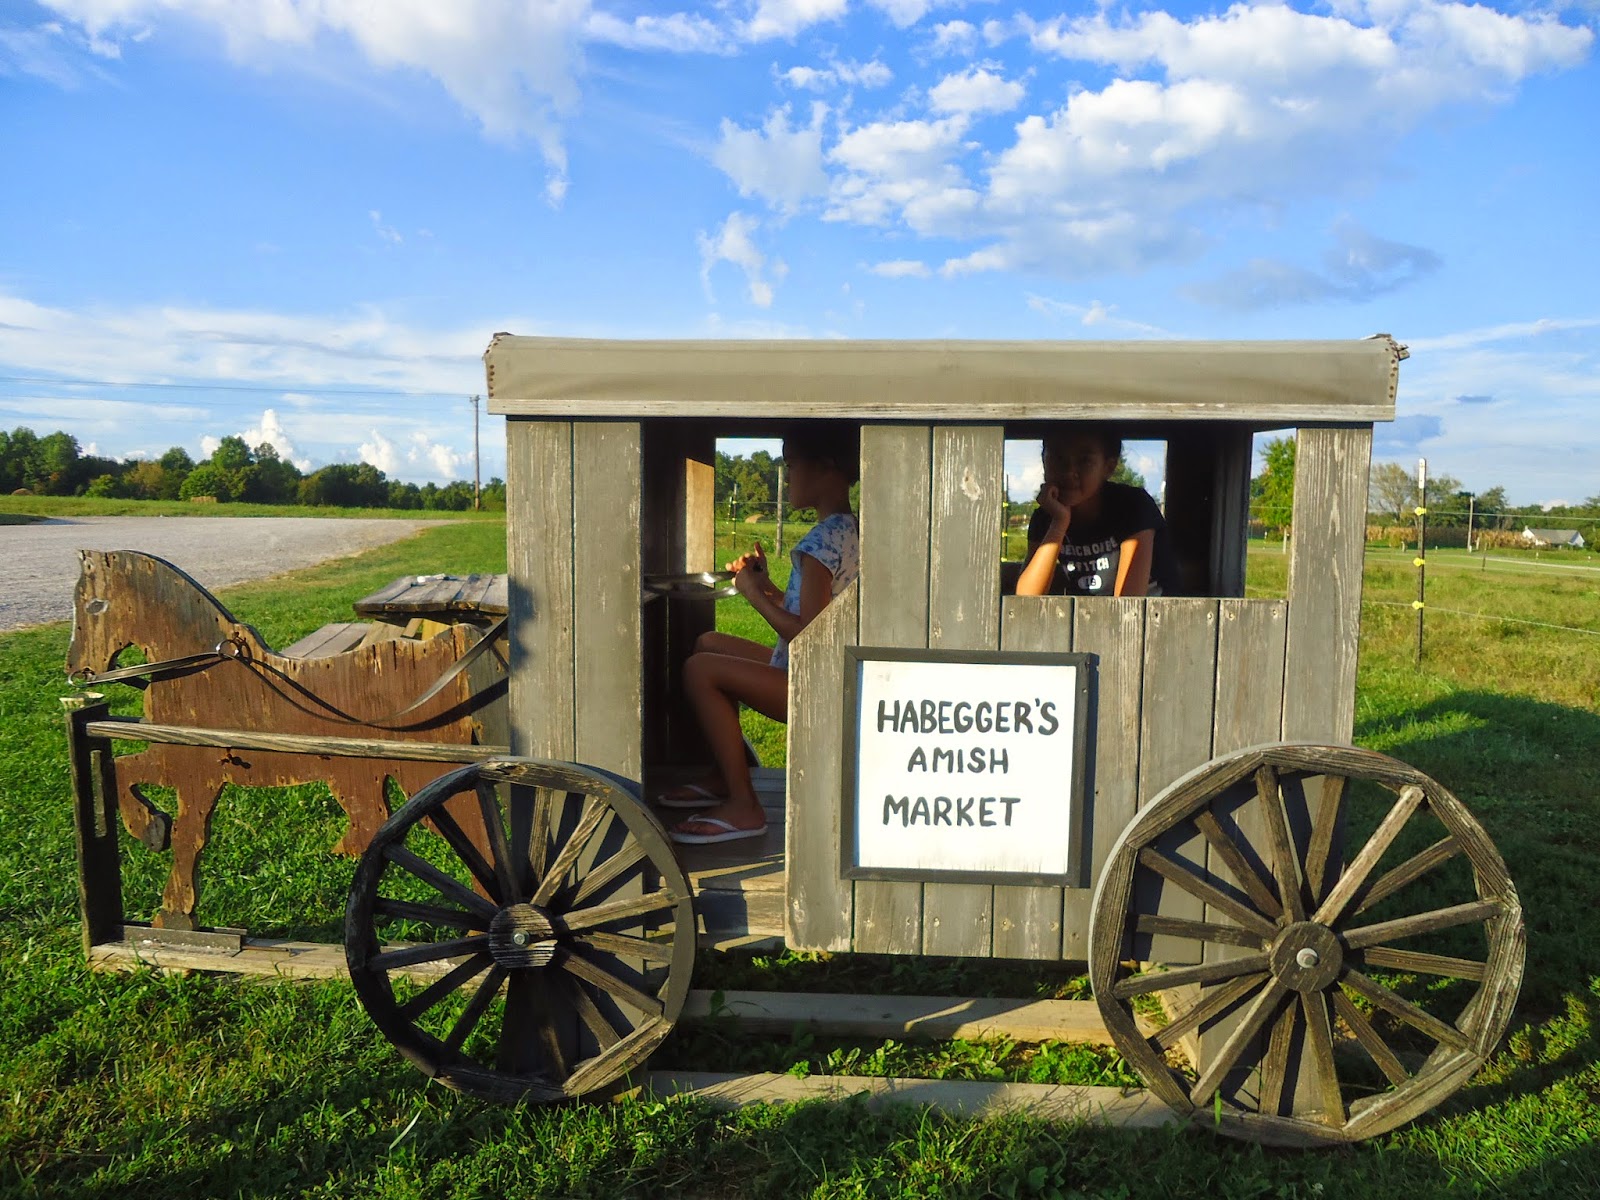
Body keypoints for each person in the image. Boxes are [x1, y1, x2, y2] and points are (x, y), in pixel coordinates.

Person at [661, 424, 860, 844]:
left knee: (700, 670)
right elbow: (820, 612)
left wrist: (752, 594)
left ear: (826, 468)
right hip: (824, 671)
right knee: (709, 644)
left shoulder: (821, 539)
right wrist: (768, 586)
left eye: (790, 465)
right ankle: (723, 773)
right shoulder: (850, 529)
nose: (785, 476)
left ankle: (743, 805)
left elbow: (808, 634)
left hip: (812, 683)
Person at [1015, 425, 1180, 598]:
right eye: (1058, 458)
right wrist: (1059, 523)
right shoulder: (1046, 517)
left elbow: (1129, 602)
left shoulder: (1132, 506)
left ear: (1108, 467)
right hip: (1088, 617)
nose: (1069, 471)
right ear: (1044, 460)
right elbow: (1026, 597)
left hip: (1152, 619)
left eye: (1084, 460)